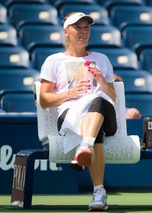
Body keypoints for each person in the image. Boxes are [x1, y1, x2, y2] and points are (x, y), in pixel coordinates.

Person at [39, 12, 116, 211]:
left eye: (86, 27)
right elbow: (44, 100)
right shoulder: (53, 61)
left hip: (104, 112)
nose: (83, 32)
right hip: (70, 116)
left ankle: (85, 146)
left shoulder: (102, 59)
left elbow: (113, 96)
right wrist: (71, 93)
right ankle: (99, 192)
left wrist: (102, 82)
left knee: (98, 99)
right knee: (94, 128)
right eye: (78, 27)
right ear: (66, 32)